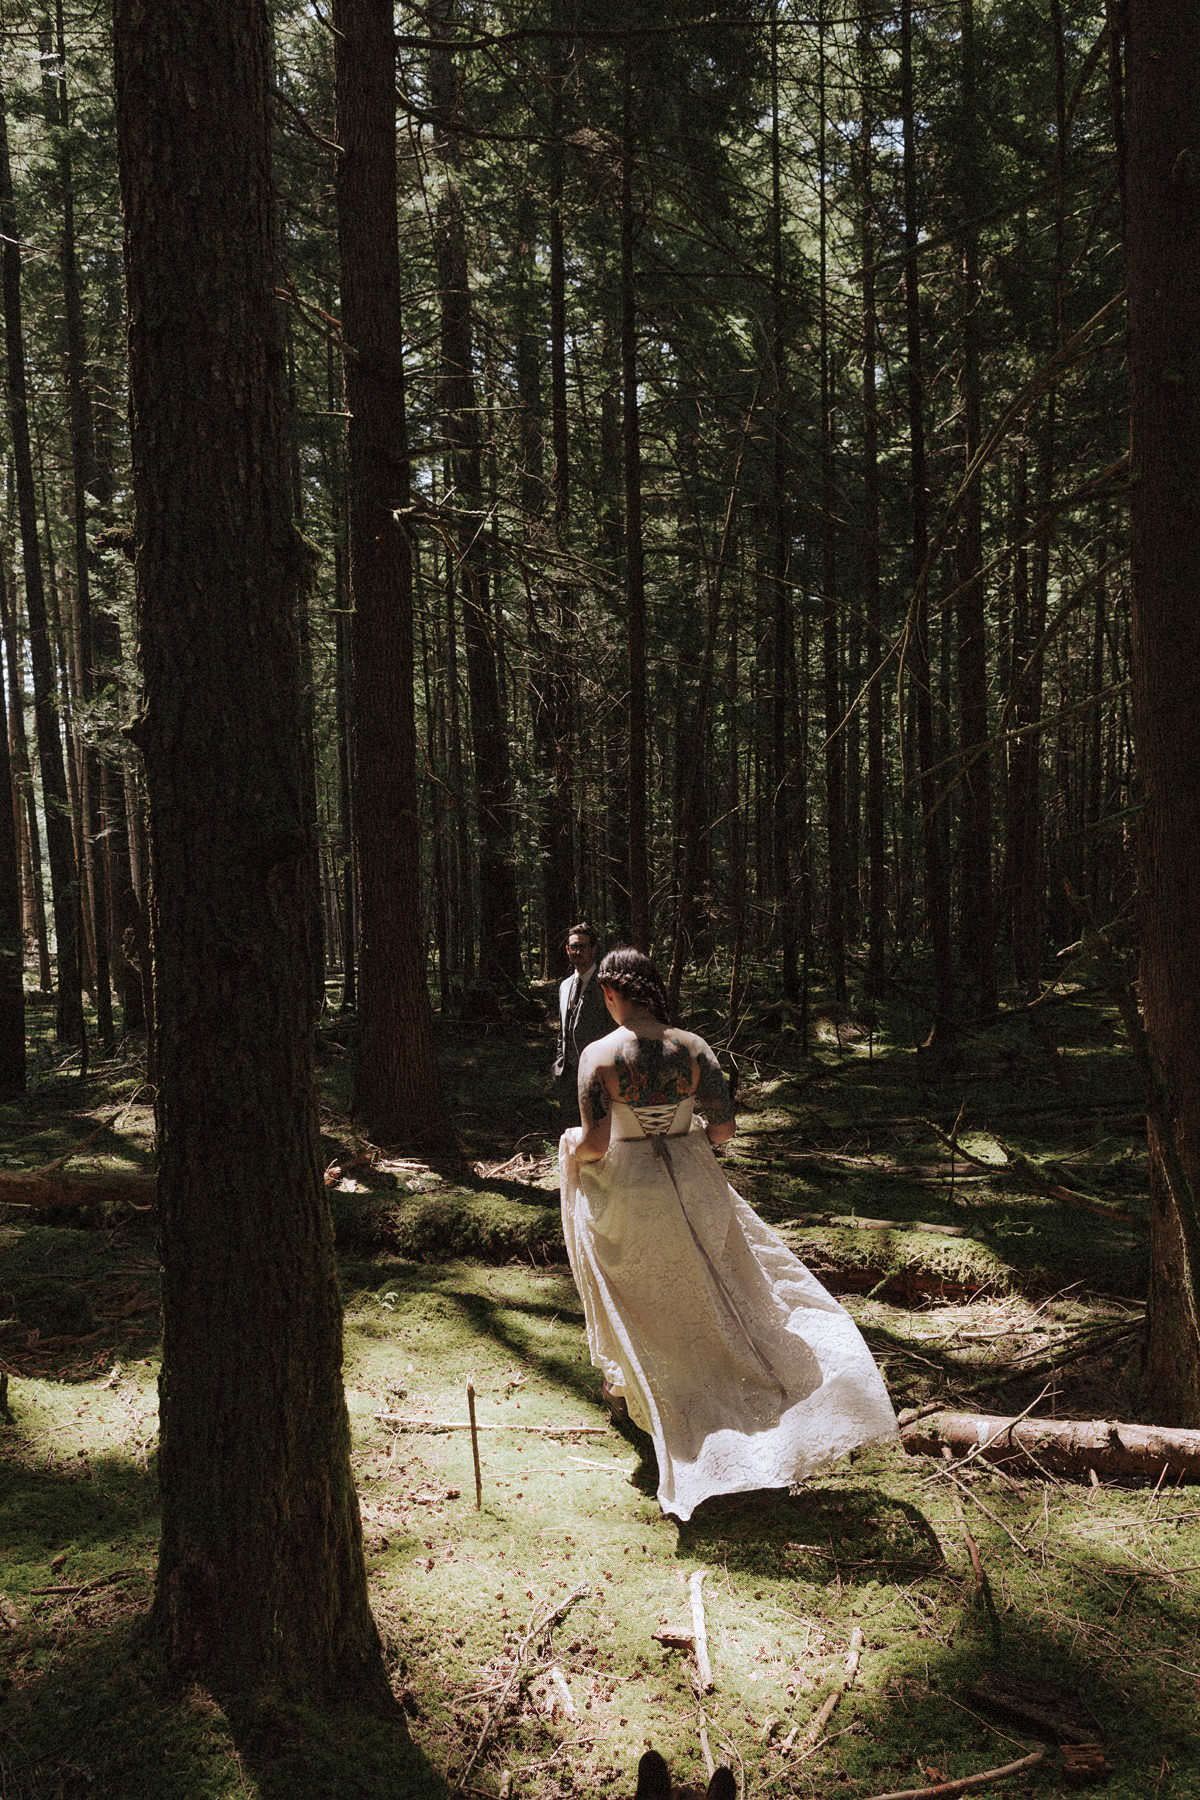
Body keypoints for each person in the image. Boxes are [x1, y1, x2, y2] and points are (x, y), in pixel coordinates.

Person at [559, 948, 898, 1522]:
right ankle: (743, 1404)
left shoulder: (599, 1055)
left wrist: (572, 1146)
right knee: (719, 1289)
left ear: (614, 994)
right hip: (695, 1184)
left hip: (631, 1188)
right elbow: (724, 1131)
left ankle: (657, 1405)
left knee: (644, 1299)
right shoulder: (694, 1048)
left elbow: (593, 1145)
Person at [552, 921, 610, 1124]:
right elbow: (563, 1030)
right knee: (571, 1129)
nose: (577, 952)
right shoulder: (565, 986)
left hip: (598, 1077)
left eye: (582, 946)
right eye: (573, 947)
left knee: (598, 1131)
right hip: (567, 1077)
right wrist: (559, 1063)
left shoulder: (606, 985)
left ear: (593, 949)